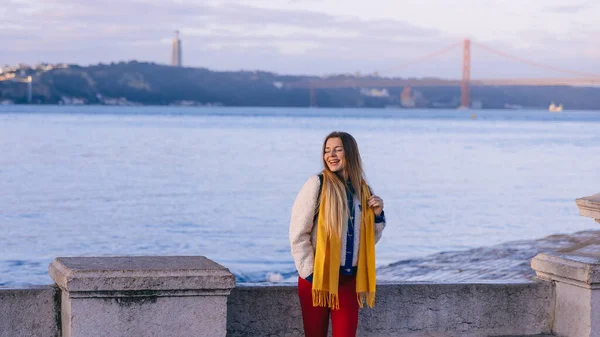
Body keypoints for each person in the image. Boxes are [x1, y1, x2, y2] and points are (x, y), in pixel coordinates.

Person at [289, 131, 386, 337]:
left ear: (350, 153)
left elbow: (367, 242)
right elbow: (298, 233)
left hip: (349, 280)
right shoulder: (317, 184)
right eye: (327, 151)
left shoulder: (363, 190)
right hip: (317, 279)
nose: (330, 155)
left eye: (337, 150)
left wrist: (377, 217)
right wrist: (310, 273)